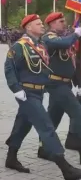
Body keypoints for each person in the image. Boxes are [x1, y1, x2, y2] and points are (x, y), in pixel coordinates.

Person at [4, 14, 81, 179]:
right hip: (26, 93)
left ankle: (11, 158)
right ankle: (65, 168)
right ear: (29, 27)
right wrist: (15, 88)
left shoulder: (40, 45)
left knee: (22, 126)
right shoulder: (20, 46)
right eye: (38, 24)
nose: (41, 26)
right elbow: (9, 67)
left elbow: (46, 68)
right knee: (46, 127)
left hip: (38, 92)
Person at [37, 12, 81, 164]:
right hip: (56, 83)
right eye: (61, 21)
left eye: (64, 21)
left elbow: (71, 61)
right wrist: (76, 34)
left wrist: (77, 83)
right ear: (52, 24)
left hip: (65, 83)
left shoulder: (64, 38)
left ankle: (44, 148)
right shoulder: (48, 37)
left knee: (53, 119)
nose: (64, 23)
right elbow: (62, 44)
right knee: (78, 113)